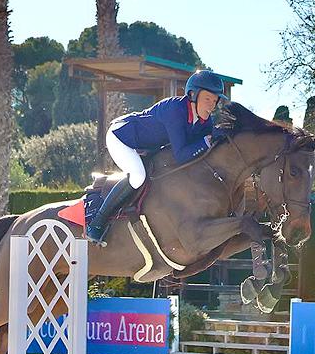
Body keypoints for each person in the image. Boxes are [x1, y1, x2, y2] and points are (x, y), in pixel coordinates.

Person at [86, 70, 229, 245]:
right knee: (138, 177)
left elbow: (203, 151)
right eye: (208, 99)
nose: (212, 106)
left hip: (145, 147)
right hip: (122, 137)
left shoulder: (205, 121)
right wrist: (207, 141)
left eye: (215, 101)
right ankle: (97, 223)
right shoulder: (175, 110)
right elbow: (182, 155)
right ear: (193, 95)